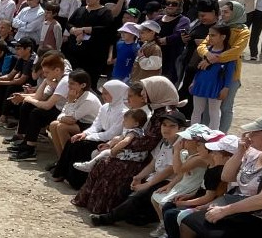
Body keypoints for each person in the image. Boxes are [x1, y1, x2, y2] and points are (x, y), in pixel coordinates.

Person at [73, 76, 185, 215]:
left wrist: (121, 146)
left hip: (145, 158)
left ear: (157, 91)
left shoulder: (166, 114)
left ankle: (103, 208)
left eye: (145, 91)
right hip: (141, 153)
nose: (143, 94)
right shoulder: (157, 110)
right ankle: (89, 202)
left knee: (111, 167)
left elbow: (149, 142)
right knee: (103, 163)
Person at [178, 113, 262, 237]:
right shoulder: (253, 153)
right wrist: (240, 151)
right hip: (240, 207)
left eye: (255, 133)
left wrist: (225, 210)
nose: (249, 136)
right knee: (189, 222)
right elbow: (226, 176)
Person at [89, 110, 186, 227]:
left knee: (139, 195)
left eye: (172, 126)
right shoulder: (164, 141)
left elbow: (170, 170)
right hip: (157, 178)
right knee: (126, 189)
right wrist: (138, 177)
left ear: (181, 129)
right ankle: (141, 217)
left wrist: (147, 184)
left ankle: (107, 218)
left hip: (170, 182)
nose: (166, 129)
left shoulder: (181, 144)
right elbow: (153, 163)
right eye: (164, 125)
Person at [52, 80, 130, 185]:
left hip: (109, 140)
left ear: (116, 93)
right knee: (72, 141)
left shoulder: (123, 112)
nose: (103, 96)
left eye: (106, 93)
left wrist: (89, 137)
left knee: (81, 146)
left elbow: (111, 134)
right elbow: (96, 125)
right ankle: (62, 173)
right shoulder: (105, 107)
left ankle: (76, 180)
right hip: (99, 135)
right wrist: (84, 134)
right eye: (103, 93)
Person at [197, 0, 251, 132]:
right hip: (212, 73)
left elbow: (236, 52)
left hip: (230, 73)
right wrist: (207, 54)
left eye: (226, 12)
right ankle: (204, 135)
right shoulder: (219, 27)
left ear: (235, 13)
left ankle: (222, 135)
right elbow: (202, 45)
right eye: (222, 12)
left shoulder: (243, 32)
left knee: (226, 107)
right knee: (208, 107)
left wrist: (213, 59)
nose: (223, 15)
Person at [190, 25, 235, 130]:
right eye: (209, 35)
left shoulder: (228, 55)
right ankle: (192, 133)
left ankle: (213, 134)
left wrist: (226, 88)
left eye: (213, 35)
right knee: (197, 110)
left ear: (223, 37)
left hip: (216, 85)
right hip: (200, 83)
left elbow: (229, 73)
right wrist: (194, 81)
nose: (210, 38)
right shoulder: (206, 51)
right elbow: (199, 68)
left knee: (214, 112)